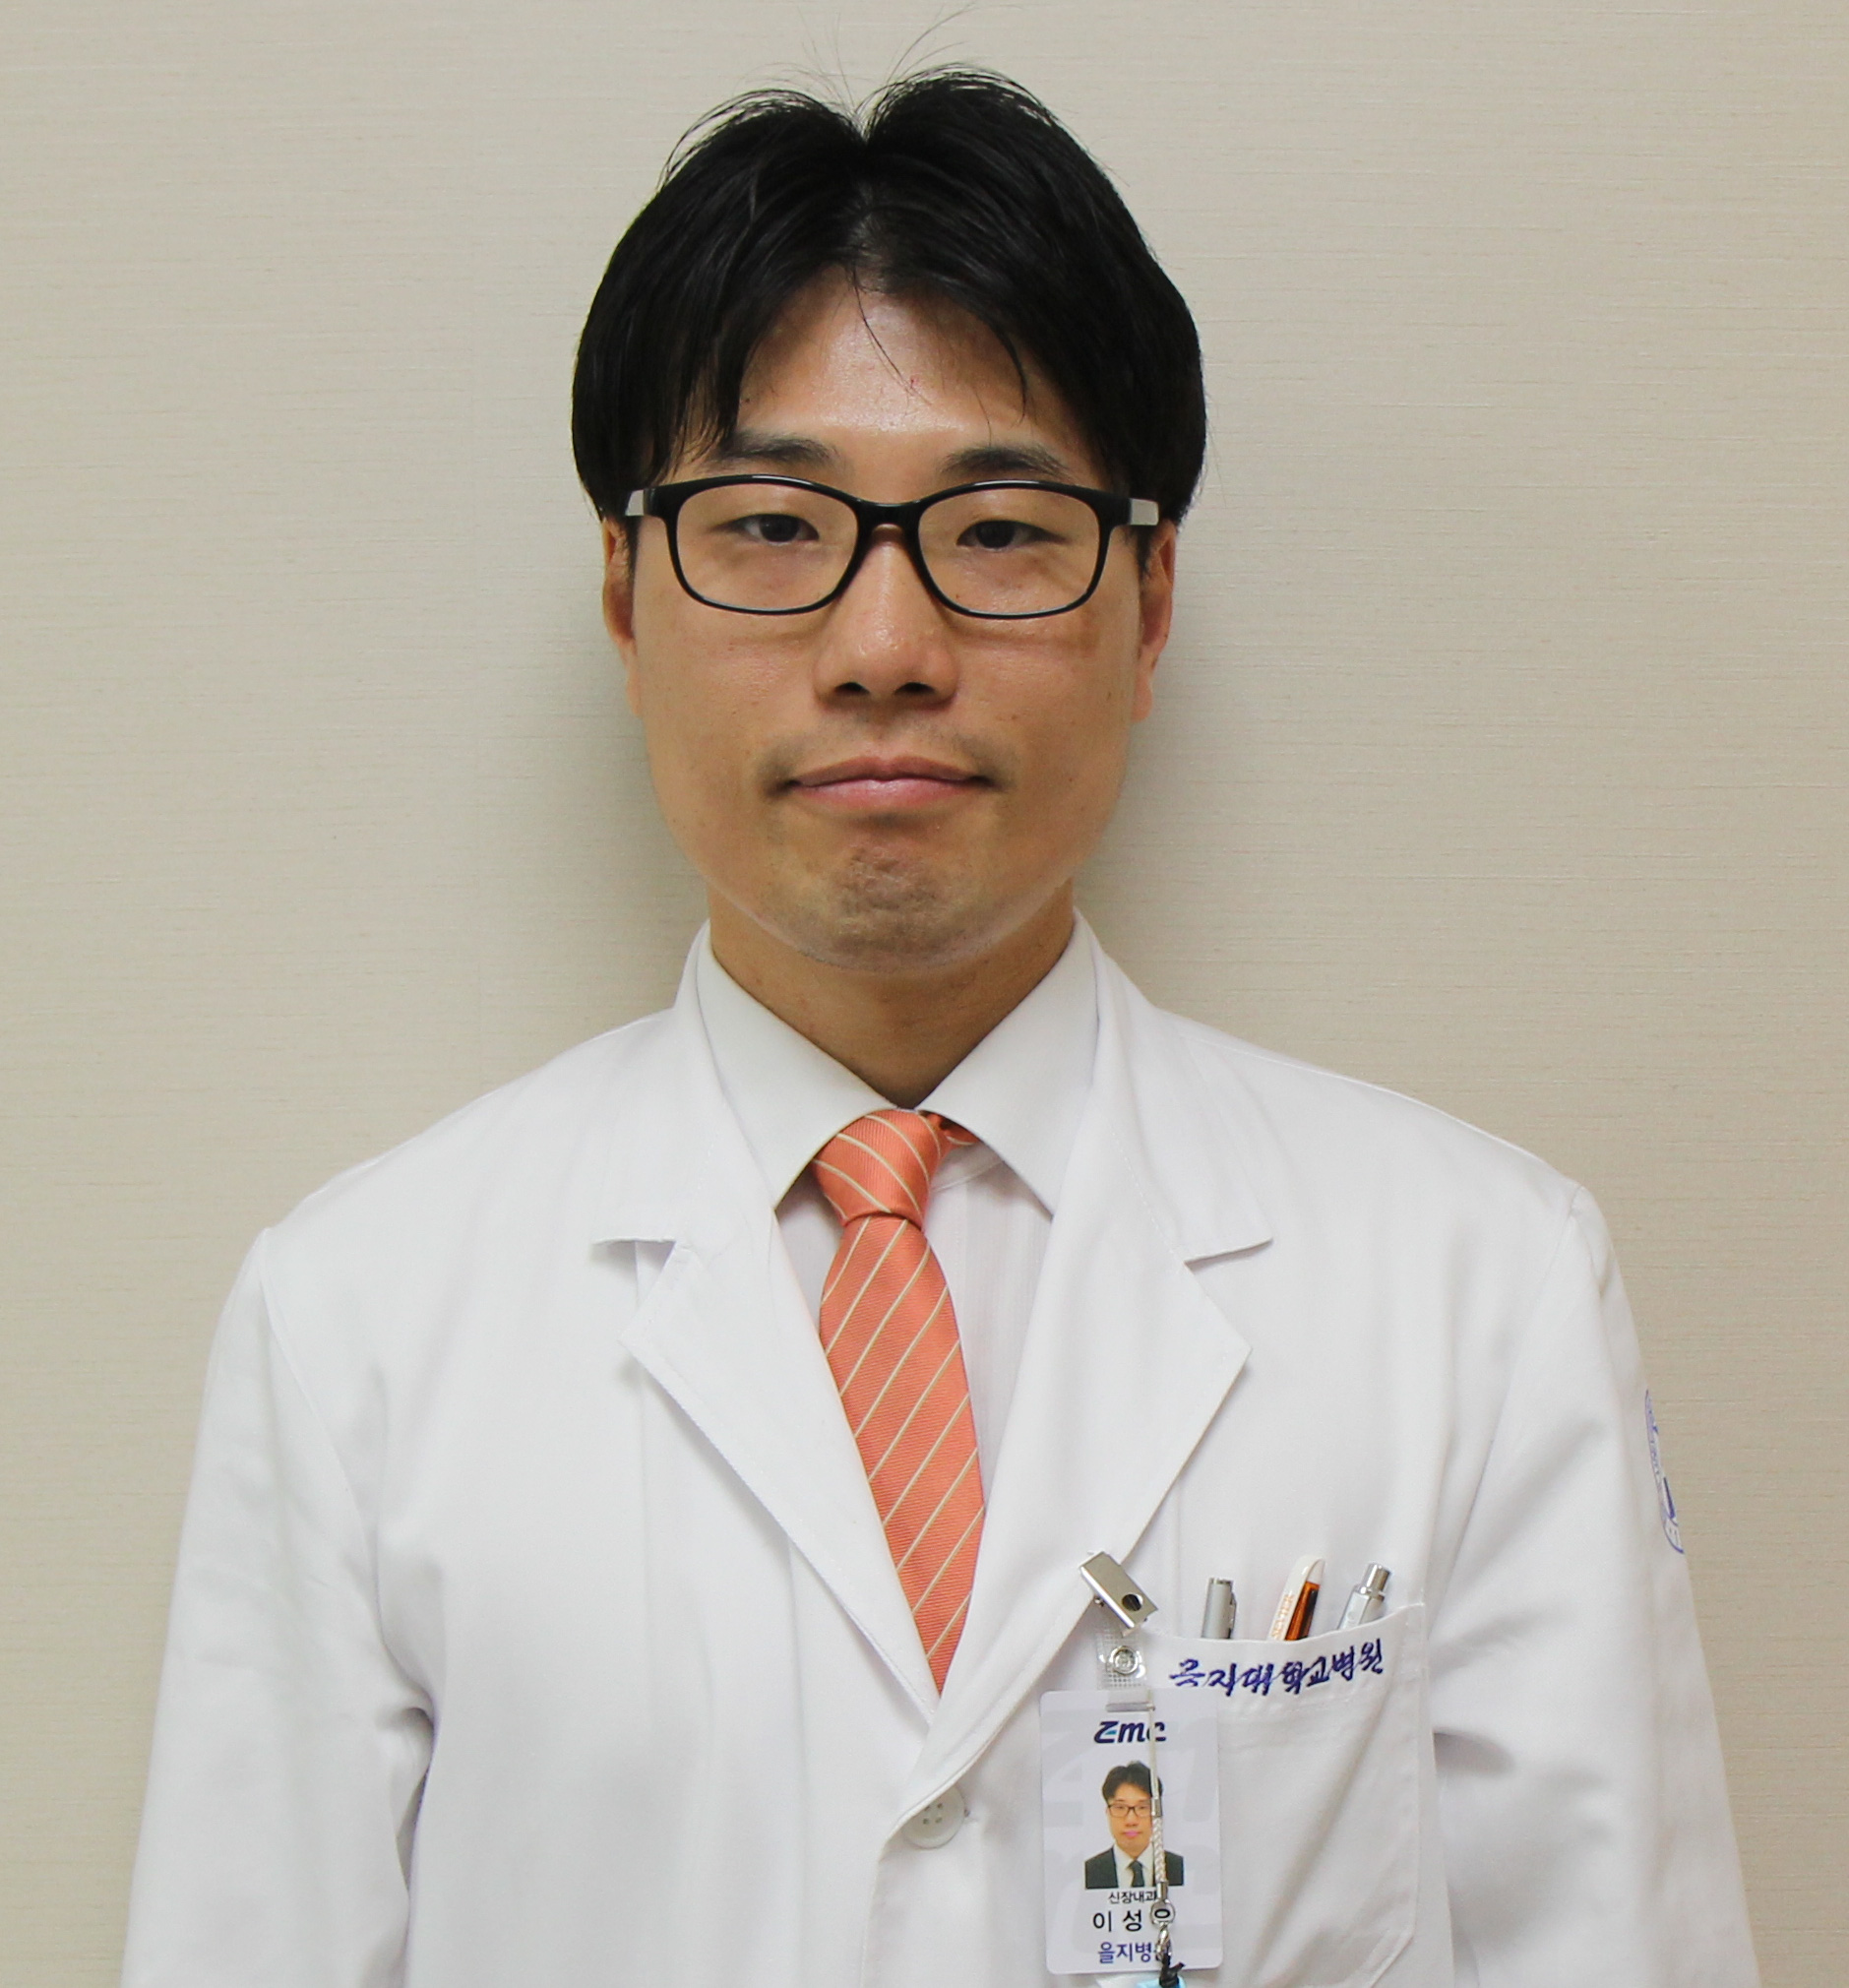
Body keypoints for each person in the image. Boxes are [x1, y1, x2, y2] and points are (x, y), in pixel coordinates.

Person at [121, 69, 1759, 1988]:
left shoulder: (1477, 1288)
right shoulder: (358, 1322)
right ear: (624, 598)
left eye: (995, 531)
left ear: (1148, 601)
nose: (885, 645)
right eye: (768, 523)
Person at [1084, 1763, 1183, 1890]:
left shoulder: (1179, 1868)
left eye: (1142, 1807)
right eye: (1120, 1807)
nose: (1131, 1821)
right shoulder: (1088, 1872)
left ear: (1157, 1813)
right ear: (1107, 1812)